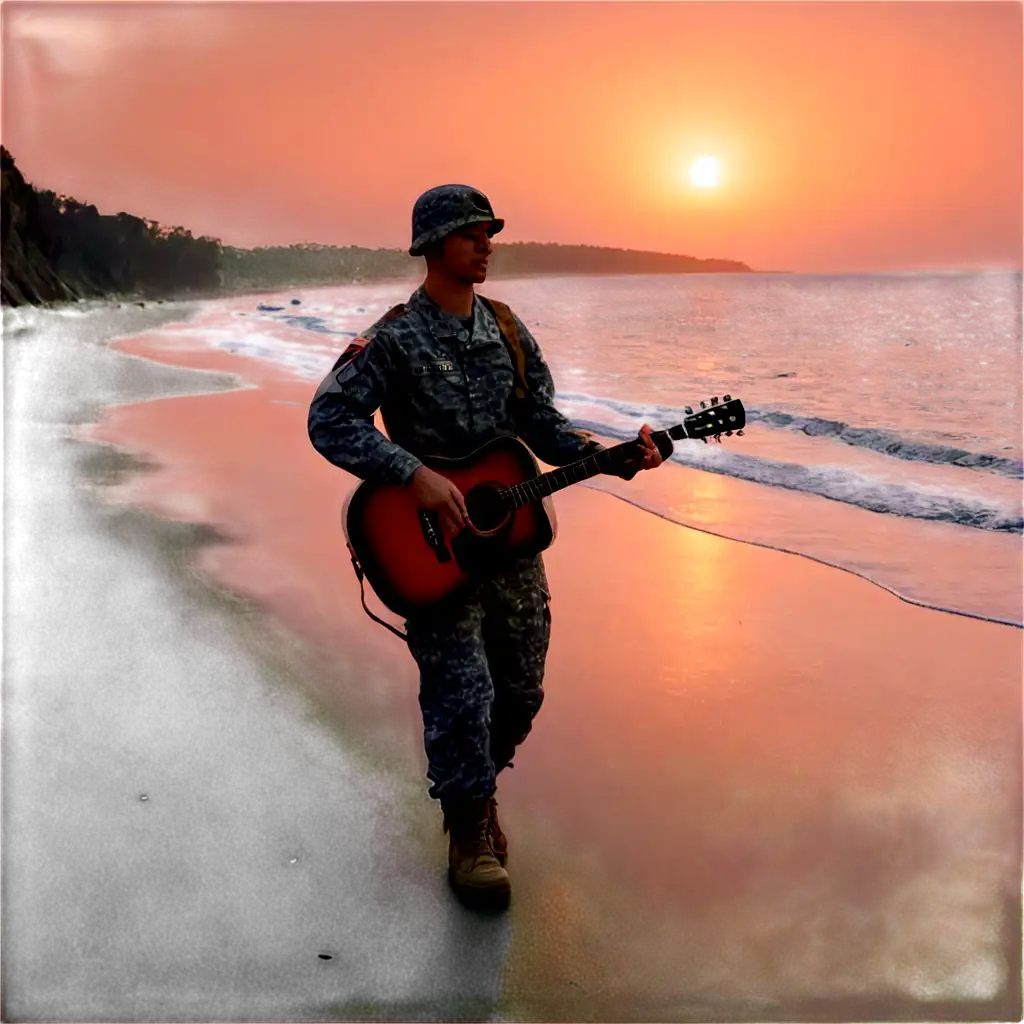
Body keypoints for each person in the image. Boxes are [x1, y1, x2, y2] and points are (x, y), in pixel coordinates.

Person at [308, 184, 666, 891]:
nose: (487, 244)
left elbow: (543, 425)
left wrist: (612, 452)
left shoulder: (505, 328)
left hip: (510, 546)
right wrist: (410, 474)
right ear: (436, 244)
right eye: (473, 233)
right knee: (460, 692)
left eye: (489, 233)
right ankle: (470, 828)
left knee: (522, 691)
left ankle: (477, 785)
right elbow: (330, 419)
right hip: (428, 552)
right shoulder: (395, 337)